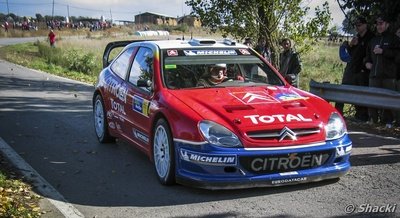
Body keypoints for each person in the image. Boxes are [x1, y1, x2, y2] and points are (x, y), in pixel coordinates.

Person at [335, 16, 374, 121]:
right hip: (352, 69)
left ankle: (363, 116)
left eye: (359, 25)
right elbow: (351, 55)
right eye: (356, 25)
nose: (357, 27)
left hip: (363, 71)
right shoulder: (357, 38)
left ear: (365, 25)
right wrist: (351, 46)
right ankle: (339, 114)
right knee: (343, 92)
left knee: (361, 95)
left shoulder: (371, 38)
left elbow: (368, 55)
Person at [364, 14, 400, 128]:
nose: (379, 26)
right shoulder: (373, 40)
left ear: (387, 24)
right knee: (372, 98)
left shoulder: (394, 39)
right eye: (377, 24)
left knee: (388, 100)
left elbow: (398, 56)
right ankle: (372, 120)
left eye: (381, 23)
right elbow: (367, 56)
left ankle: (388, 122)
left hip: (388, 76)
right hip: (374, 75)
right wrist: (366, 63)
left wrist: (383, 51)